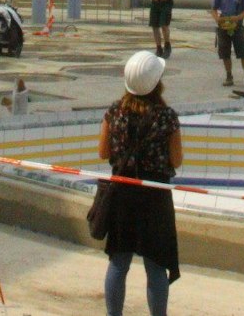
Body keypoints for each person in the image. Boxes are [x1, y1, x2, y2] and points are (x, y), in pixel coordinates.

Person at [100, 50, 182, 316]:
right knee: (156, 266)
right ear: (157, 82)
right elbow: (177, 160)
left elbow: (102, 152)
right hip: (154, 197)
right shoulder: (167, 117)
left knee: (118, 263)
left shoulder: (114, 112)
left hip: (123, 192)